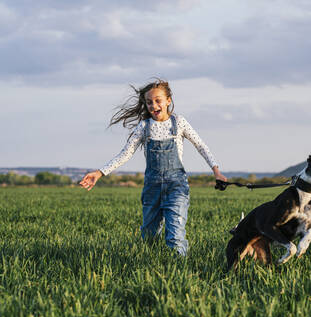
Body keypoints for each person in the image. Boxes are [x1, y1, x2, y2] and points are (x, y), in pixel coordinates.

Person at [79, 79, 227, 256]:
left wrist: (216, 171)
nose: (153, 105)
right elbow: (125, 154)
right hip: (152, 187)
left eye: (158, 100)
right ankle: (150, 265)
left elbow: (201, 146)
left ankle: (178, 273)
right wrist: (100, 172)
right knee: (149, 235)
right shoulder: (144, 127)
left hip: (176, 186)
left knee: (175, 236)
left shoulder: (179, 122)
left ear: (168, 100)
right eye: (149, 102)